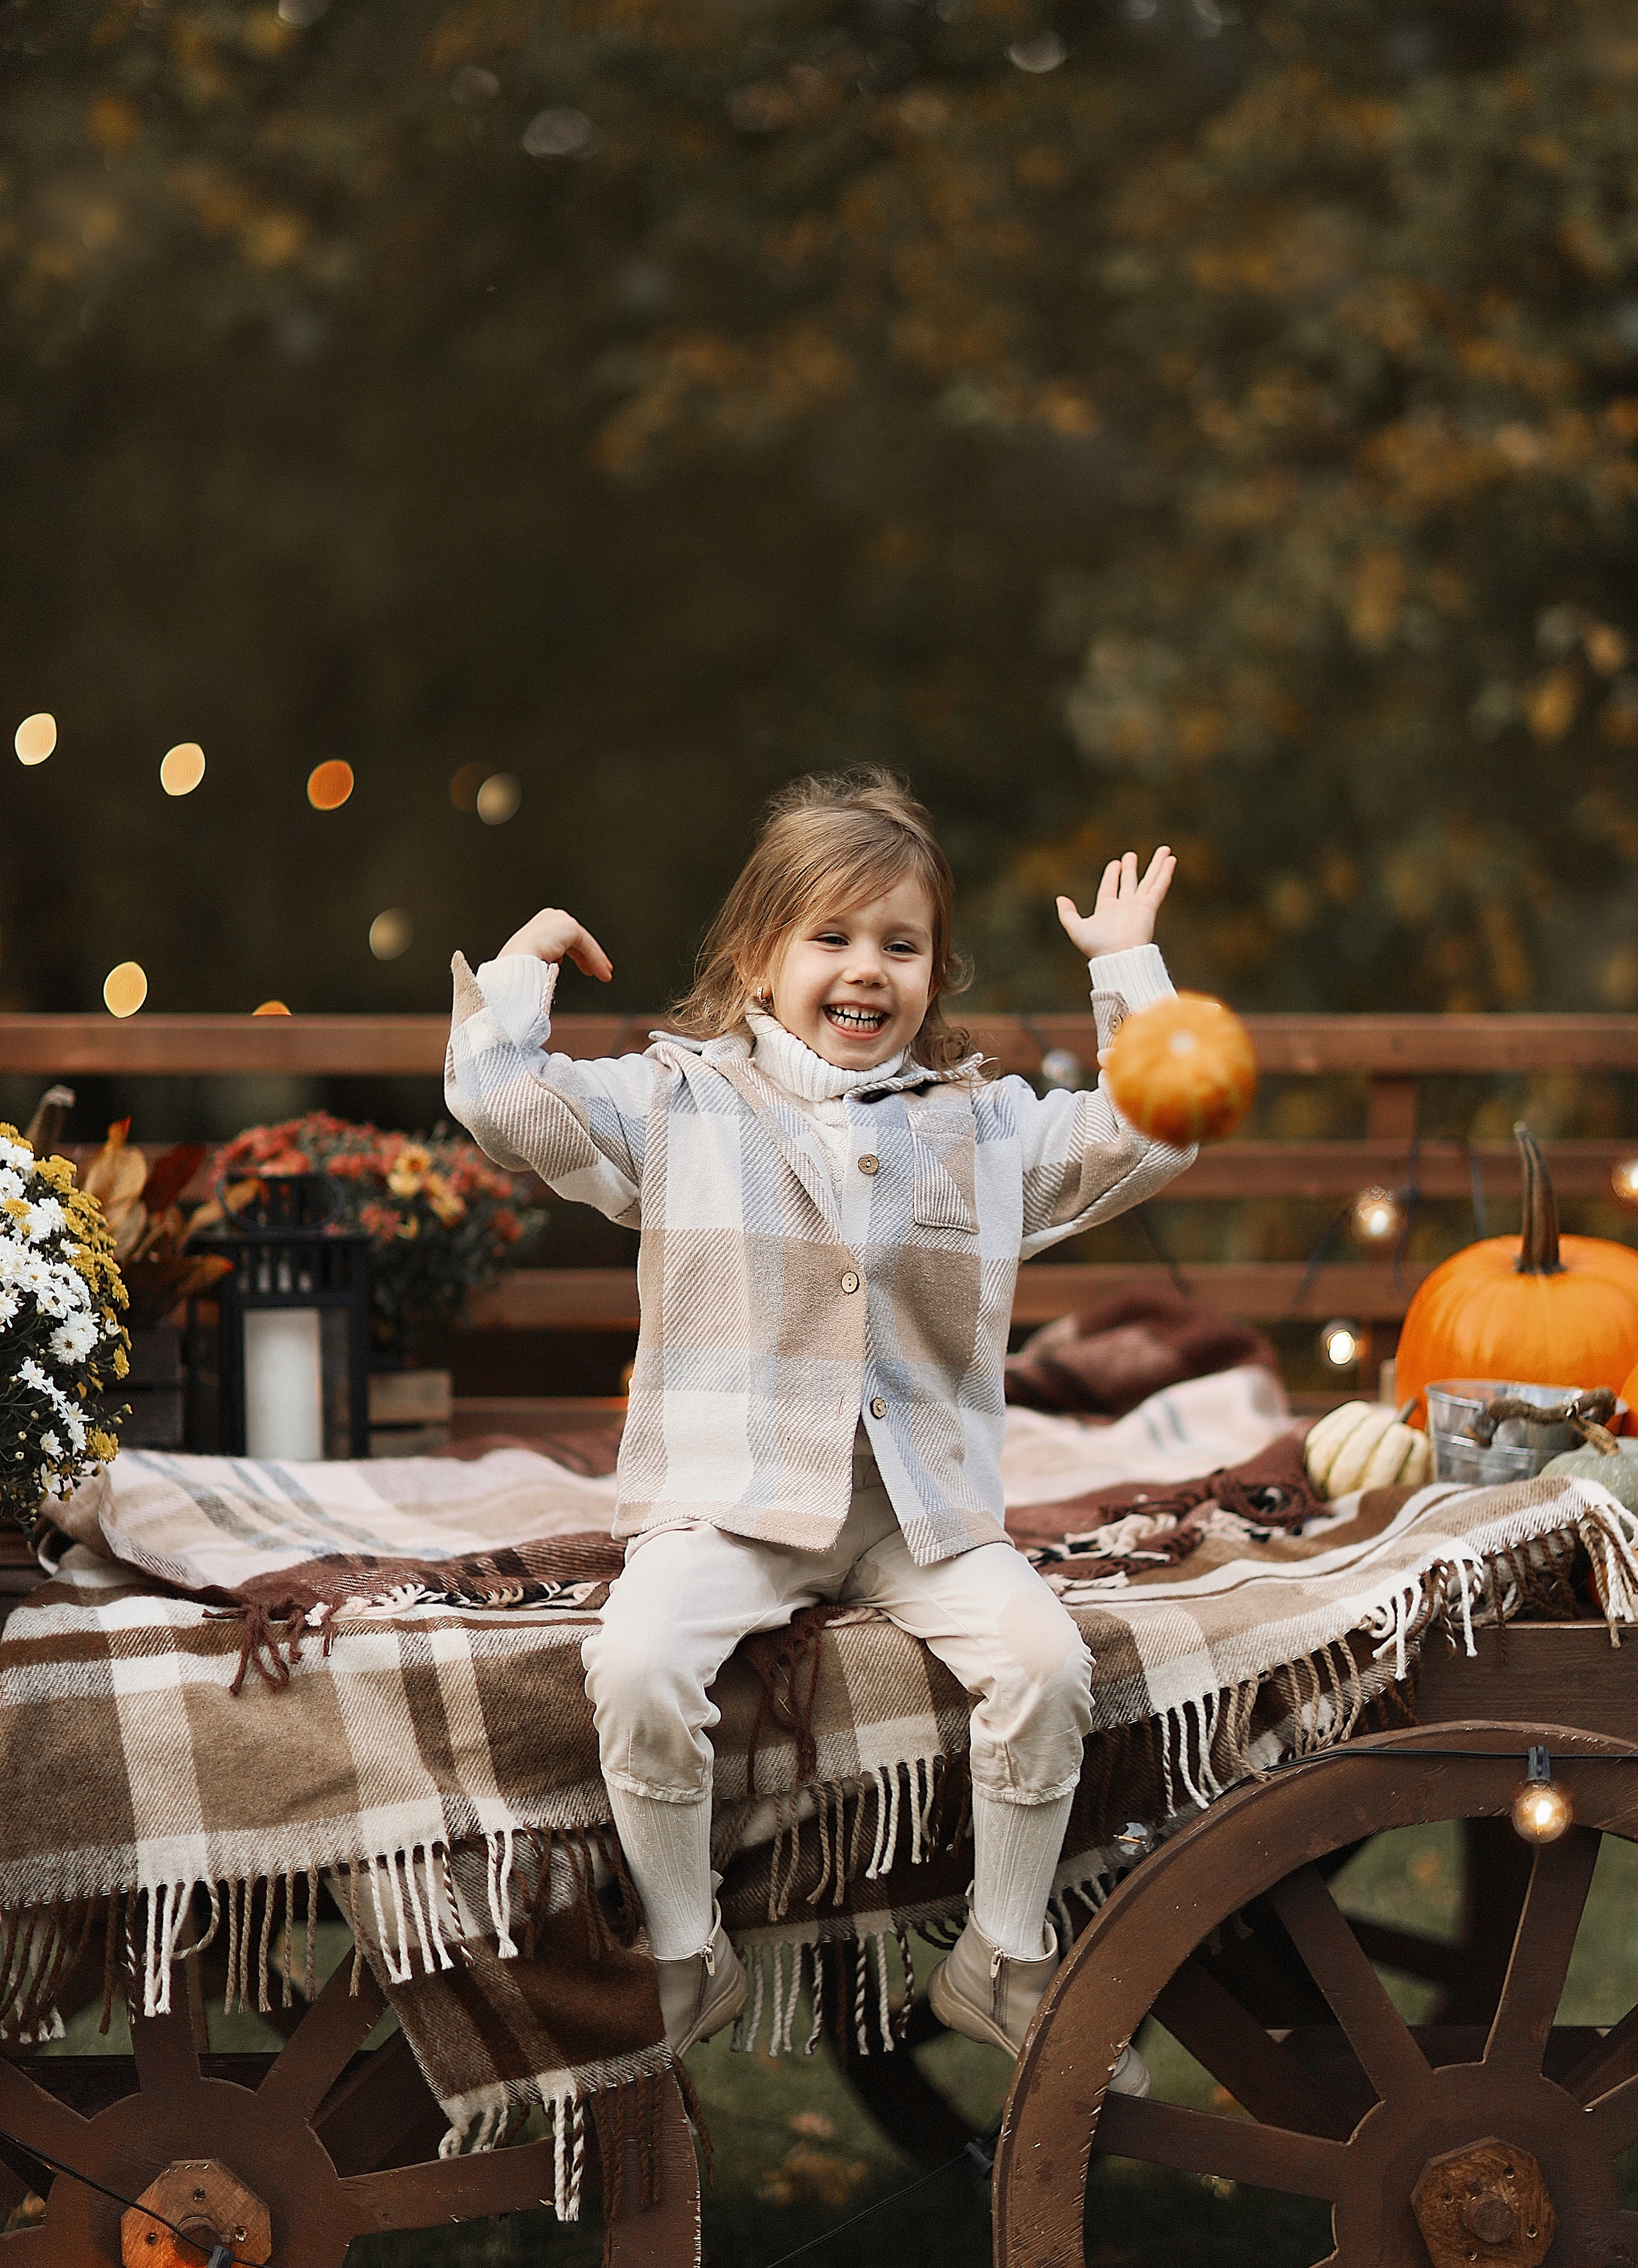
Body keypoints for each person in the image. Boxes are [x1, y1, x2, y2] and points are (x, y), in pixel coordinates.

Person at [445, 768, 1193, 2087]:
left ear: (933, 973)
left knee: (1044, 1664)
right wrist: (523, 967)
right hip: (732, 1499)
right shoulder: (677, 1103)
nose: (865, 969)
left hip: (916, 1509)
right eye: (830, 937)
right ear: (758, 959)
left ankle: (1002, 1954)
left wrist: (1127, 970)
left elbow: (1153, 1132)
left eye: (900, 945)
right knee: (638, 1665)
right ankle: (689, 1949)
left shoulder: (977, 1125)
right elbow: (500, 1101)